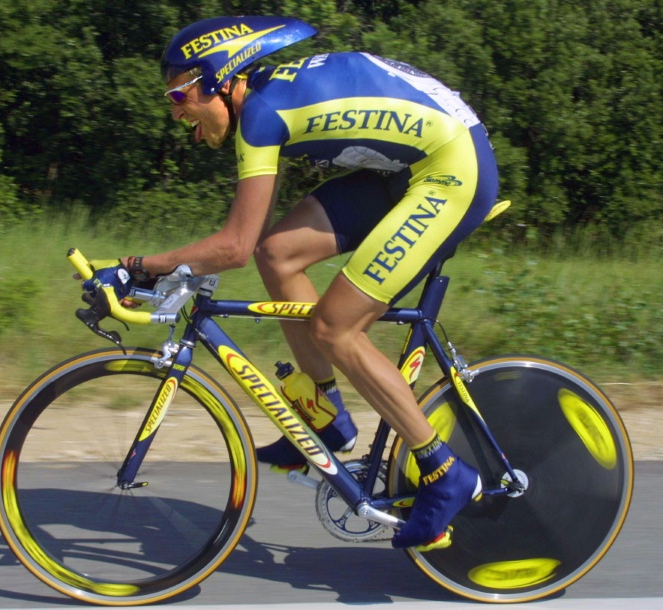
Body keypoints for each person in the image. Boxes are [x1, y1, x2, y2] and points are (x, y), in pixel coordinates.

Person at [116, 16, 498, 551]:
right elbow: (254, 246)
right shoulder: (265, 103)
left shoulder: (261, 116)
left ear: (217, 79)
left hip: (451, 169)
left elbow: (232, 247)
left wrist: (139, 265)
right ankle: (326, 415)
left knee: (335, 328)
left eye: (179, 96)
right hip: (406, 169)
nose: (178, 113)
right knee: (278, 255)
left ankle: (443, 471)